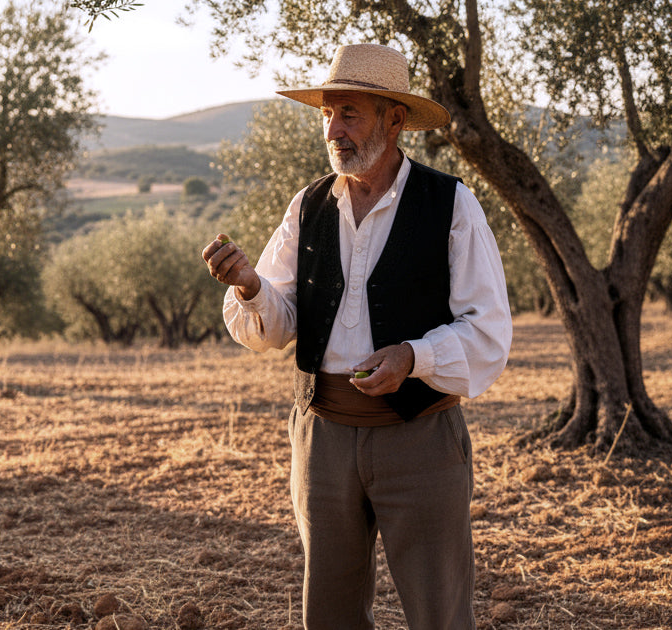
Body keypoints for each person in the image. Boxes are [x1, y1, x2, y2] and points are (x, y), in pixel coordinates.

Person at [201, 43, 512, 630]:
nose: (333, 131)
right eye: (327, 114)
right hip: (321, 439)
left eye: (349, 114)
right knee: (330, 613)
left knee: (440, 612)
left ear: (394, 119)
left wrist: (413, 357)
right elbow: (277, 325)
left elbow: (489, 330)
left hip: (420, 438)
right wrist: (249, 285)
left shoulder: (451, 204)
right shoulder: (308, 205)